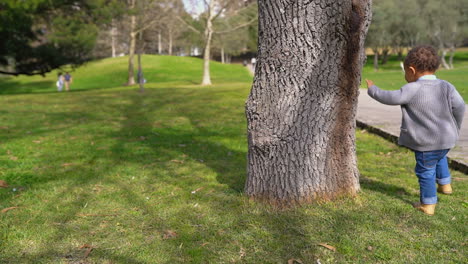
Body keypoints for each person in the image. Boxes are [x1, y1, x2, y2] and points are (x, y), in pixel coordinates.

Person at [366, 45, 465, 215]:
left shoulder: (412, 89)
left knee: (425, 170)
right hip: (446, 139)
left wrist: (373, 89)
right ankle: (445, 184)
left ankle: (427, 204)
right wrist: (455, 127)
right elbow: (460, 106)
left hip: (425, 142)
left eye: (405, 72)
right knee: (440, 157)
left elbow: (390, 97)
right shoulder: (447, 86)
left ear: (411, 70)